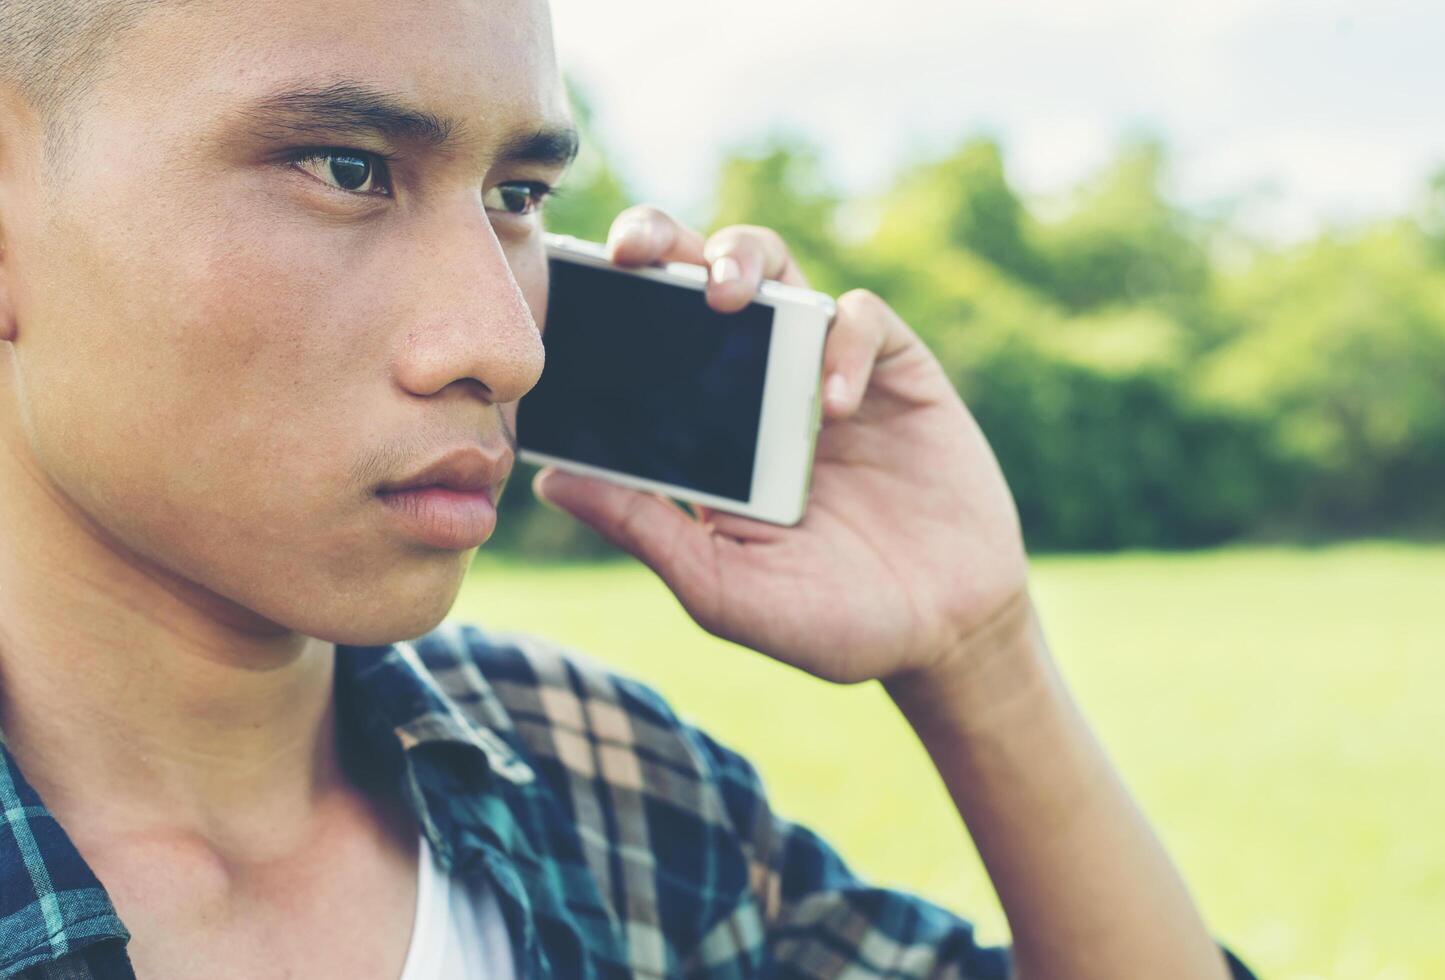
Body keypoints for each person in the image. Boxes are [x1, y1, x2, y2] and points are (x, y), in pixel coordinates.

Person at [0, 1, 1255, 977]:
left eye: (517, 197)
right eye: (345, 167)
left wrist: (980, 655)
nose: (507, 347)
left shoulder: (597, 776)